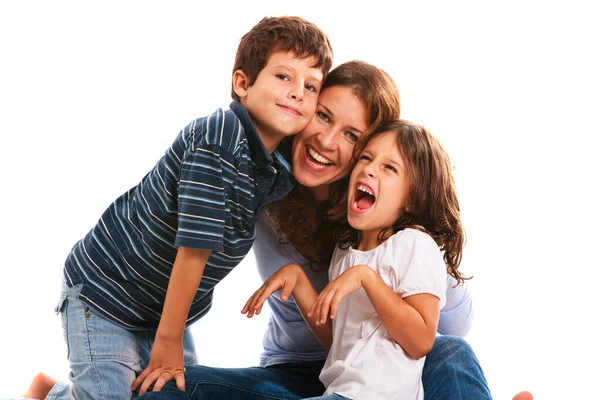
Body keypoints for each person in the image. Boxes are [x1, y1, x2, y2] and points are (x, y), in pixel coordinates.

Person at [132, 62, 494, 400]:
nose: (326, 140)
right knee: (165, 388)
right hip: (300, 376)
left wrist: (421, 243)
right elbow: (336, 337)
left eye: (352, 135)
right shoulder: (265, 190)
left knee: (452, 349)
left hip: (385, 376)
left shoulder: (396, 231)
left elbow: (447, 329)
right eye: (322, 116)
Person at [23, 15, 333, 400]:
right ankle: (50, 395)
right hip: (107, 295)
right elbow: (194, 246)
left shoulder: (273, 165)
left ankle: (55, 391)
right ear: (242, 83)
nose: (298, 92)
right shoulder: (219, 137)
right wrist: (169, 342)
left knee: (172, 395)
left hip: (161, 305)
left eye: (311, 85)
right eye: (284, 77)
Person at [242, 119, 464, 399]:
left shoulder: (414, 242)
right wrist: (298, 281)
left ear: (414, 199)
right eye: (366, 159)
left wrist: (367, 278)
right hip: (339, 392)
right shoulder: (345, 250)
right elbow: (340, 343)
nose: (369, 169)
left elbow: (420, 341)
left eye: (389, 168)